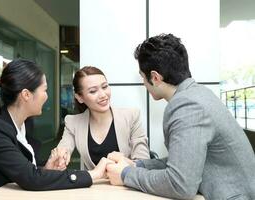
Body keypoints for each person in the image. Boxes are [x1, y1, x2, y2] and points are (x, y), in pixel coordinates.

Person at [106, 34, 255, 200]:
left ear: (155, 77)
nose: (143, 83)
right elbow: (185, 162)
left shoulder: (187, 107)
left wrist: (126, 174)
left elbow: (181, 185)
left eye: (143, 77)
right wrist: (137, 164)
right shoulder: (198, 94)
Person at [0, 59, 112, 199]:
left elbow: (22, 168)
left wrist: (45, 168)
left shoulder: (24, 124)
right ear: (26, 94)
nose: (46, 96)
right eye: (44, 90)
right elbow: (31, 178)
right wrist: (93, 174)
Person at [52, 66, 150, 171]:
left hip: (126, 184)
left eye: (104, 87)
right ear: (80, 98)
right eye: (93, 91)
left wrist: (124, 163)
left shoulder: (131, 116)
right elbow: (64, 148)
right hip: (93, 185)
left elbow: (144, 163)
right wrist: (60, 156)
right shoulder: (73, 122)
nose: (103, 95)